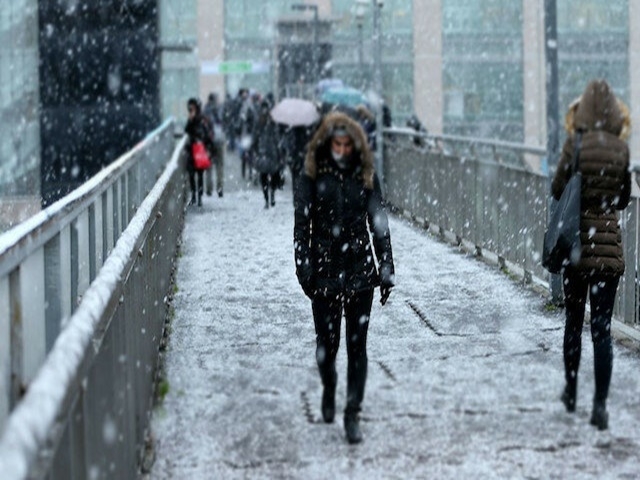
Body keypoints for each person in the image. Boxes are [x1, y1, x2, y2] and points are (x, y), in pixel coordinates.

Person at [294, 111, 395, 444]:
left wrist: (386, 265)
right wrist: (304, 268)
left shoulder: (364, 172)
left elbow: (377, 220)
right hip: (323, 270)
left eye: (346, 144)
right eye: (336, 144)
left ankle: (352, 412)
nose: (341, 149)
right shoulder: (311, 172)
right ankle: (329, 385)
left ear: (355, 144)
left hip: (359, 269)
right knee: (327, 344)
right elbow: (302, 223)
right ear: (327, 143)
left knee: (357, 346)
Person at [551, 79, 631, 430]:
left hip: (577, 248)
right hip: (608, 249)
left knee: (573, 322)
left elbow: (557, 187)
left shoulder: (576, 144)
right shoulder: (620, 149)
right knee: (601, 330)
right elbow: (623, 198)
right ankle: (600, 406)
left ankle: (571, 389)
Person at [184, 98, 215, 206]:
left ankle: (199, 196)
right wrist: (190, 120)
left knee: (200, 175)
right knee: (192, 175)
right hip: (192, 150)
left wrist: (208, 149)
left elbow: (206, 135)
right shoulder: (191, 119)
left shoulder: (202, 119)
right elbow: (187, 130)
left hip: (200, 150)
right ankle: (193, 195)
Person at [253, 100, 283, 208]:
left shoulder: (259, 121)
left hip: (262, 153)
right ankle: (272, 195)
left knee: (263, 177)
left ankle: (266, 198)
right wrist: (280, 153)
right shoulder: (273, 121)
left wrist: (255, 150)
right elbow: (277, 137)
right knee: (273, 175)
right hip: (272, 152)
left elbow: (254, 137)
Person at [203, 92, 225, 197]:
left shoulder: (205, 110)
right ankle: (219, 188)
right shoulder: (218, 109)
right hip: (219, 140)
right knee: (220, 165)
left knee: (209, 166)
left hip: (208, 142)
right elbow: (223, 122)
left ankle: (209, 188)